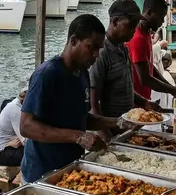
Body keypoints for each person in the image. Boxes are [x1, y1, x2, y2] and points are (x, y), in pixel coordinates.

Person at [19, 14, 124, 182]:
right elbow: (26, 126)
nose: (96, 55)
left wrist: (118, 121)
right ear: (73, 40)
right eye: (92, 47)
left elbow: (81, 118)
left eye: (99, 49)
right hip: (41, 173)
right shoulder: (47, 74)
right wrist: (78, 136)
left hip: (71, 170)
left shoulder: (82, 73)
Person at [90, 0, 162, 122]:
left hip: (125, 126)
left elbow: (125, 88)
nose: (134, 30)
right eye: (131, 25)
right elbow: (94, 105)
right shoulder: (102, 53)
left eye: (135, 25)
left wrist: (144, 102)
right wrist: (108, 138)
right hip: (110, 132)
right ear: (115, 21)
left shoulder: (123, 47)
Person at [128, 0, 176, 101]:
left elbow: (149, 67)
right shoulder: (138, 38)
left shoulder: (146, 34)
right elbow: (145, 79)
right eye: (161, 17)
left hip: (145, 98)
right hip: (135, 102)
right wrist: (174, 91)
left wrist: (172, 88)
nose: (162, 21)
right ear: (149, 13)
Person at [0, 87, 28, 167]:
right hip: (3, 151)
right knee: (36, 155)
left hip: (16, 145)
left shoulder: (21, 107)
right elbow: (25, 140)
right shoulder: (15, 110)